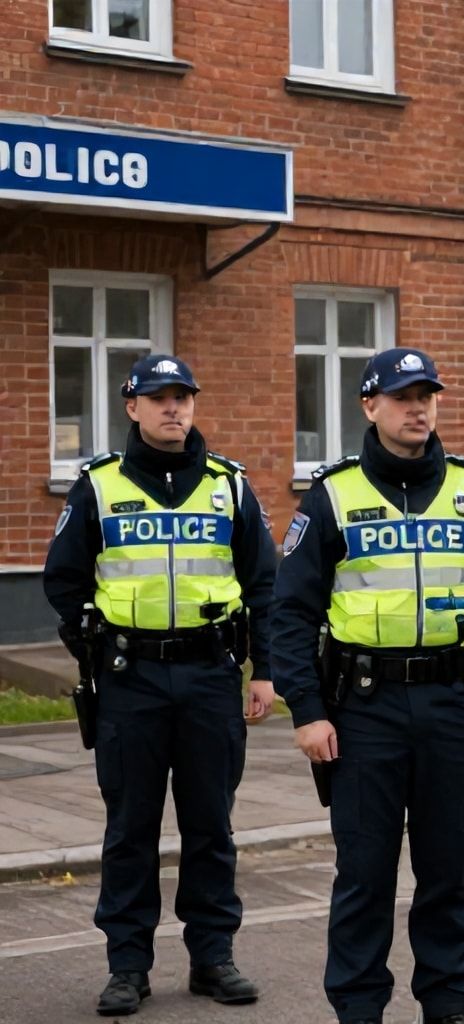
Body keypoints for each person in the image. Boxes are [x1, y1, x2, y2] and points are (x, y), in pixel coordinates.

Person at [268, 347, 464, 1024]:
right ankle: (359, 1008)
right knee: (365, 872)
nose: (419, 408)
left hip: (452, 702)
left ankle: (446, 1003)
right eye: (404, 396)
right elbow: (291, 611)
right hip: (364, 709)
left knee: (448, 870)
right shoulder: (333, 495)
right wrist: (308, 710)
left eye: (429, 396)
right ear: (370, 406)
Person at [42, 354, 275, 1017]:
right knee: (130, 828)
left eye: (184, 397)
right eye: (160, 397)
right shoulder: (99, 485)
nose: (174, 408)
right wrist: (93, 635)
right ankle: (127, 967)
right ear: (132, 407)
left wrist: (266, 671)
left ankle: (213, 958)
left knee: (211, 824)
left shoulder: (229, 487)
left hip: (209, 675)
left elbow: (264, 584)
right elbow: (63, 578)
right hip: (130, 678)